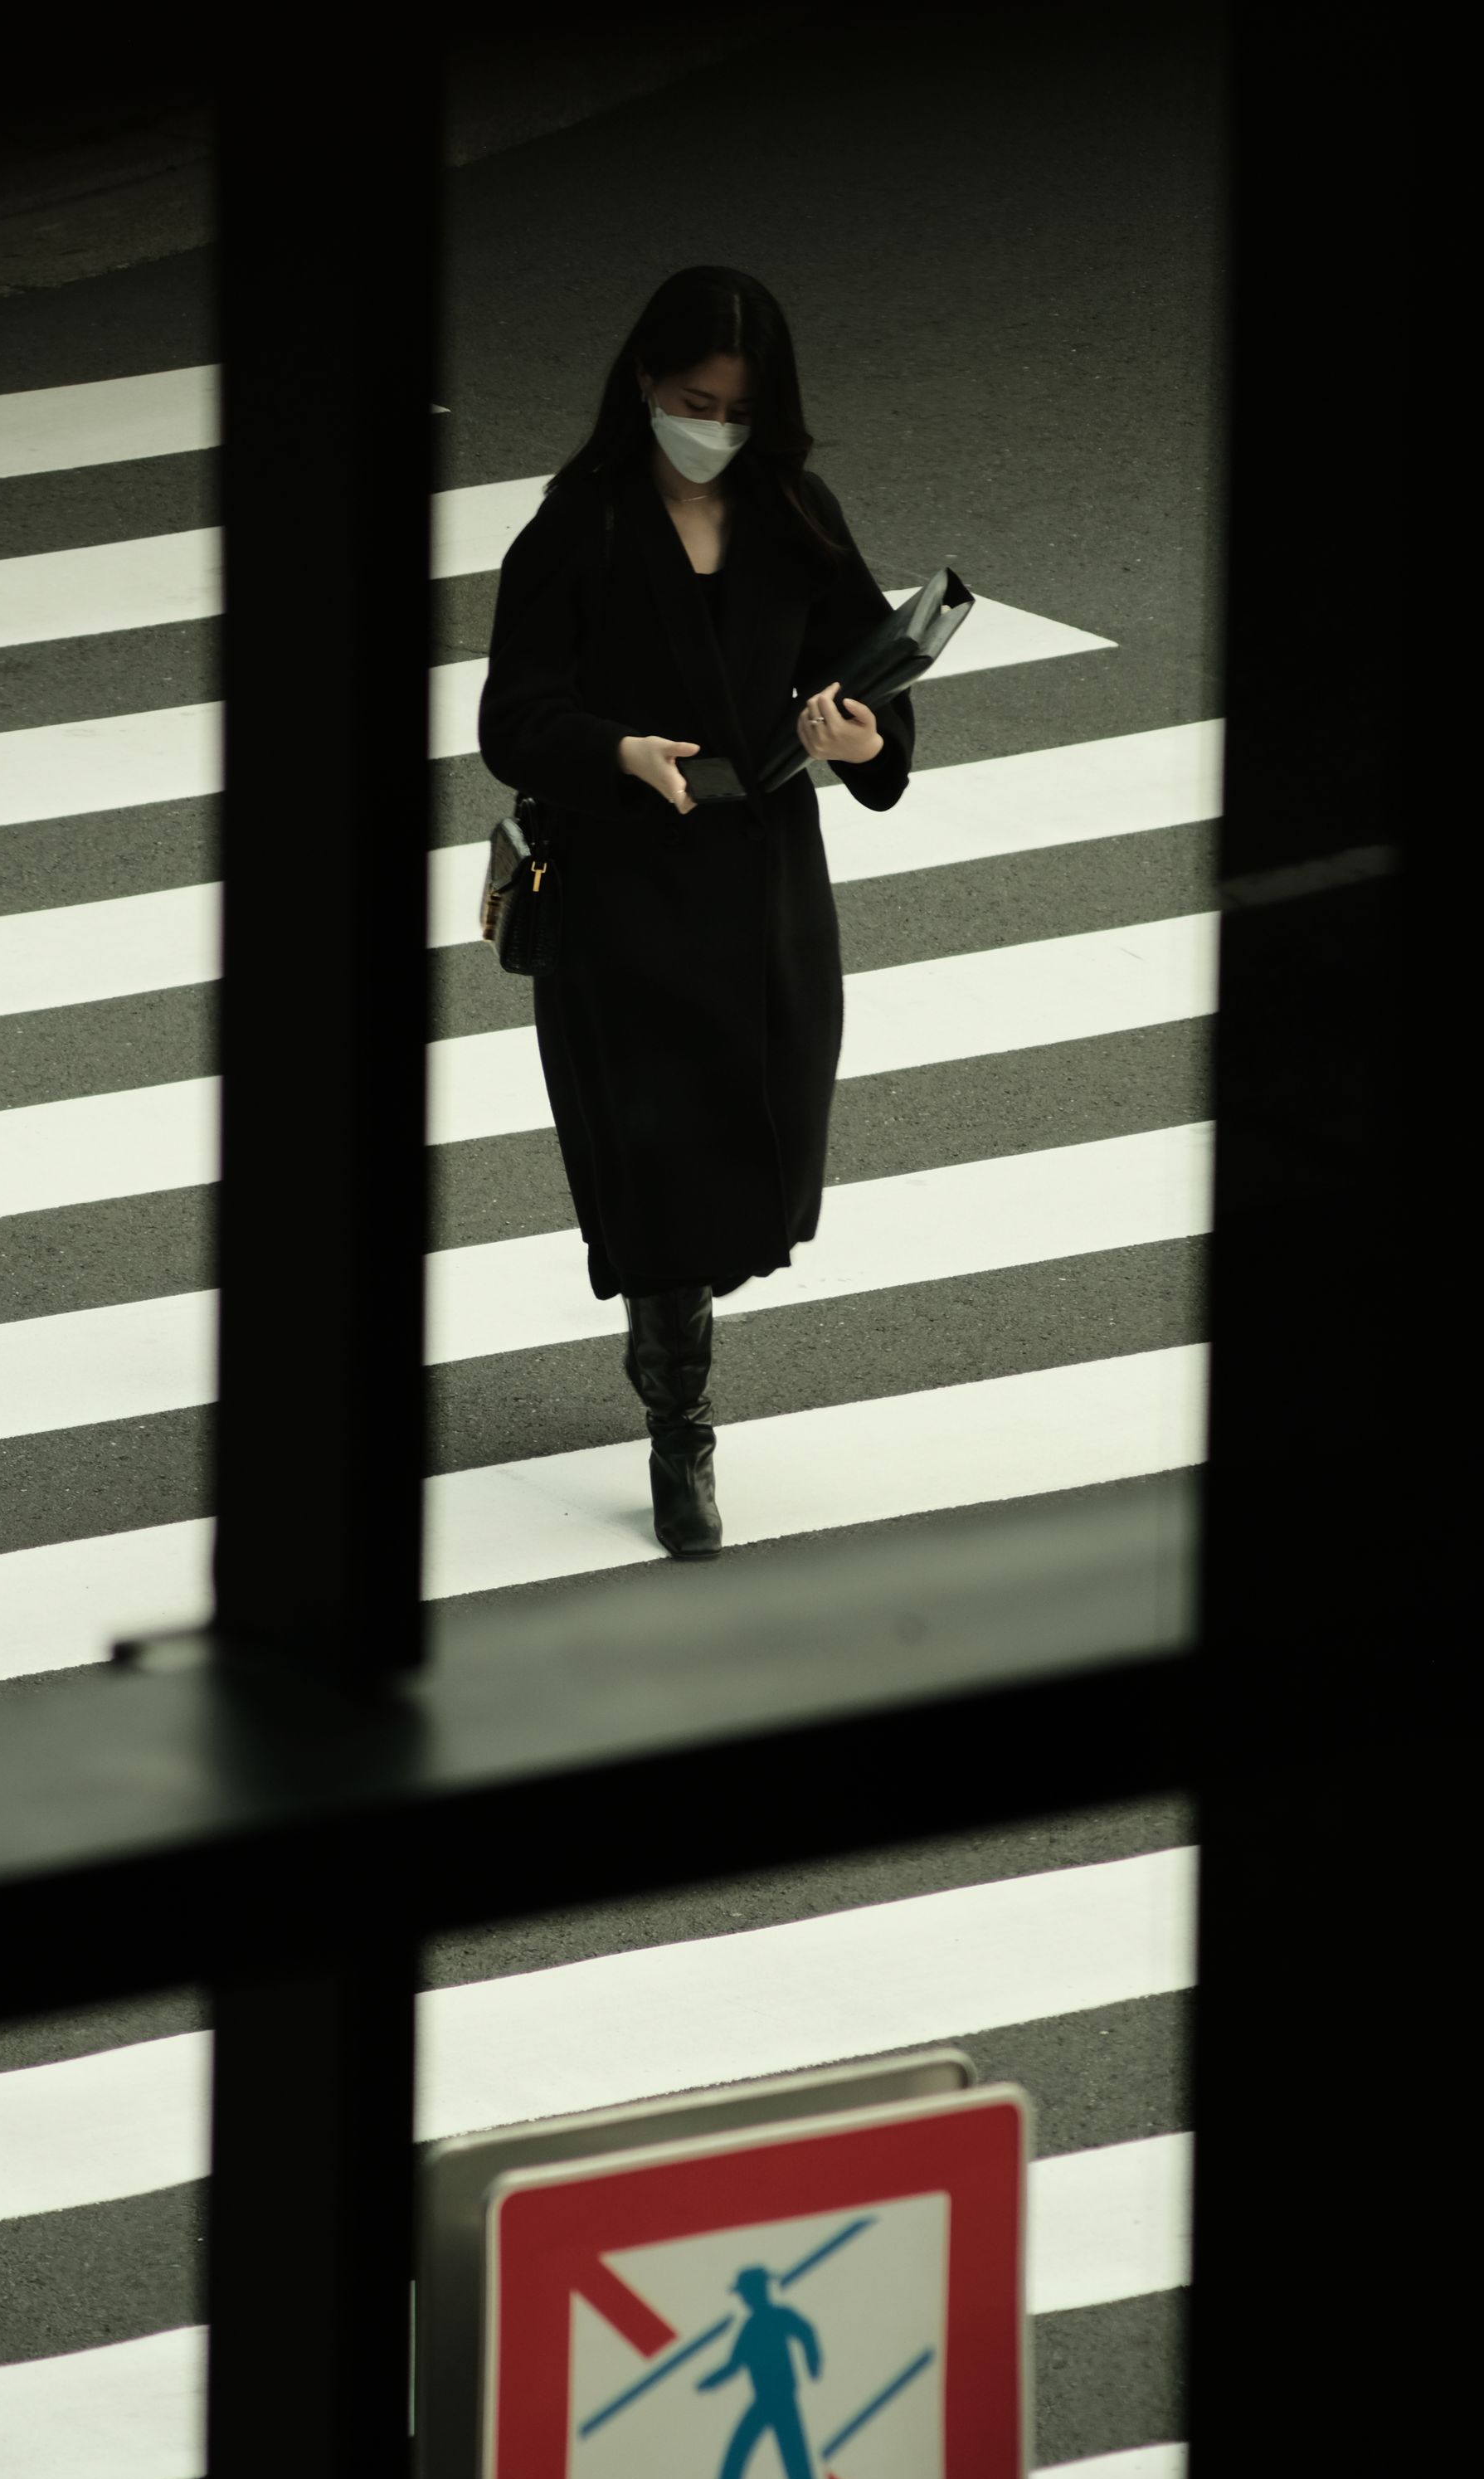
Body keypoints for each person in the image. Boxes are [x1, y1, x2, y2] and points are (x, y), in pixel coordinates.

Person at [478, 266, 915, 1562]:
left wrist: (861, 733)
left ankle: (682, 1313)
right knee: (661, 1177)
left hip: (766, 881)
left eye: (735, 405)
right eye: (690, 399)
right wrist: (613, 751)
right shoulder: (580, 526)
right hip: (624, 894)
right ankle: (683, 1428)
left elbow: (868, 676)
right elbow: (512, 717)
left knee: (760, 1154)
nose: (711, 425)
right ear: (643, 387)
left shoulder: (794, 512)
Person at [696, 2265, 823, 2479]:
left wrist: (812, 2362)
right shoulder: (751, 2327)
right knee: (740, 2455)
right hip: (765, 2400)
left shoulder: (777, 2317)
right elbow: (735, 2364)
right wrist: (710, 2381)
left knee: (792, 2460)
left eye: (745, 2292)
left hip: (781, 2399)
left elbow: (806, 2332)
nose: (744, 2298)